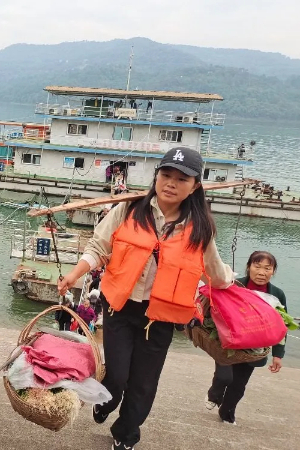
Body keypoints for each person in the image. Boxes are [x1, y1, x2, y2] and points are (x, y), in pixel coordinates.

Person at [58, 147, 233, 450]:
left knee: (143, 384)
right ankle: (105, 402)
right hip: (120, 307)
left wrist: (231, 284)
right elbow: (98, 247)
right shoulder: (128, 210)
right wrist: (75, 274)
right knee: (116, 375)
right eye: (166, 175)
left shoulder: (200, 229)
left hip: (161, 316)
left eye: (182, 179)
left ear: (195, 186)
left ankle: (126, 433)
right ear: (156, 176)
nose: (171, 183)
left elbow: (214, 273)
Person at [205, 251, 287, 425]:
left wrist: (278, 355)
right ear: (248, 267)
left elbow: (281, 325)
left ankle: (226, 413)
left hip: (254, 348)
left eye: (267, 268)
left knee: (238, 387)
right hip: (227, 342)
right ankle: (214, 395)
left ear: (273, 271)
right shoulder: (233, 285)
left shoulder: (277, 295)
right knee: (224, 377)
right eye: (257, 266)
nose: (262, 272)